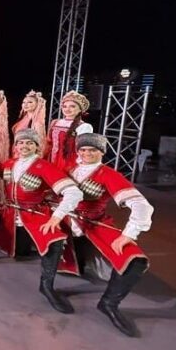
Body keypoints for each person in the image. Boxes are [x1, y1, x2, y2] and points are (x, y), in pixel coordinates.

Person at [62, 133, 153, 337]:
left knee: (134, 260)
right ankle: (48, 284)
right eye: (83, 150)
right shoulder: (69, 169)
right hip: (65, 220)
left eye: (92, 150)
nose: (87, 153)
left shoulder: (108, 174)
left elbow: (141, 206)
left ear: (101, 152)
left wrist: (128, 234)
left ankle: (109, 303)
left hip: (95, 222)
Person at [0, 128, 84, 314]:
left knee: (55, 240)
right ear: (15, 145)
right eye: (20, 142)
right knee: (17, 251)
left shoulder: (45, 166)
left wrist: (56, 216)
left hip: (35, 213)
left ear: (37, 146)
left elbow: (73, 192)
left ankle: (46, 285)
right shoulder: (9, 164)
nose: (24, 146)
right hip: (12, 214)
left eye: (29, 143)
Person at [45, 90, 93, 170]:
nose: (67, 109)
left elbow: (84, 149)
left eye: (72, 106)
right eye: (65, 106)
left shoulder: (84, 126)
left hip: (70, 163)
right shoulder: (55, 122)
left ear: (80, 110)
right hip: (51, 160)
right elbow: (48, 143)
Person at [12, 90, 47, 155]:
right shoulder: (22, 118)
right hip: (17, 150)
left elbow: (40, 143)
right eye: (24, 102)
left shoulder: (37, 122)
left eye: (30, 102)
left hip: (27, 153)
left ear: (37, 104)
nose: (25, 104)